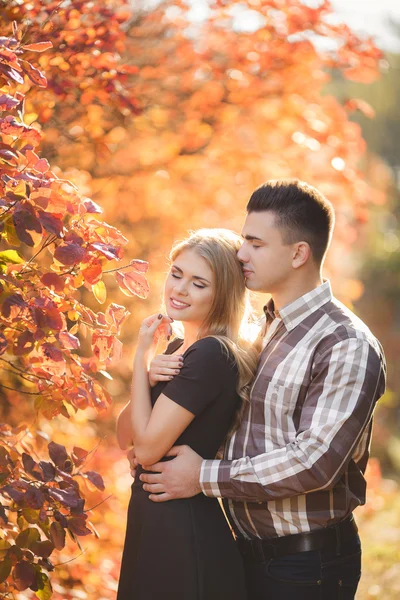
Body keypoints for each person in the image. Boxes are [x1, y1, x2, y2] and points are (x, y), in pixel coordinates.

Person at [136, 179, 386, 600]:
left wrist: (202, 476)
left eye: (255, 243)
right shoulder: (262, 331)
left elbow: (314, 462)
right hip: (241, 549)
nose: (240, 253)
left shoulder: (344, 343)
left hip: (307, 566)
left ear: (298, 254)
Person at [116, 228, 258, 600]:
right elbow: (123, 435)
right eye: (176, 273)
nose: (178, 289)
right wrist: (147, 376)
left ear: (222, 294)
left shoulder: (212, 354)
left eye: (198, 283)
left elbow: (145, 452)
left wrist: (139, 359)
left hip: (181, 526)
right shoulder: (181, 348)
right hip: (155, 517)